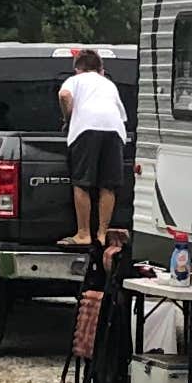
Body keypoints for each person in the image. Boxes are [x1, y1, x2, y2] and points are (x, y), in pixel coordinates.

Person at [58, 44, 131, 258]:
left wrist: (68, 116)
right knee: (108, 185)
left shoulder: (75, 80)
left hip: (86, 130)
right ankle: (102, 233)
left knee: (82, 183)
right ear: (101, 70)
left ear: (77, 69)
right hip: (114, 130)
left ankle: (83, 234)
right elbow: (121, 115)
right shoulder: (108, 84)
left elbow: (64, 95)